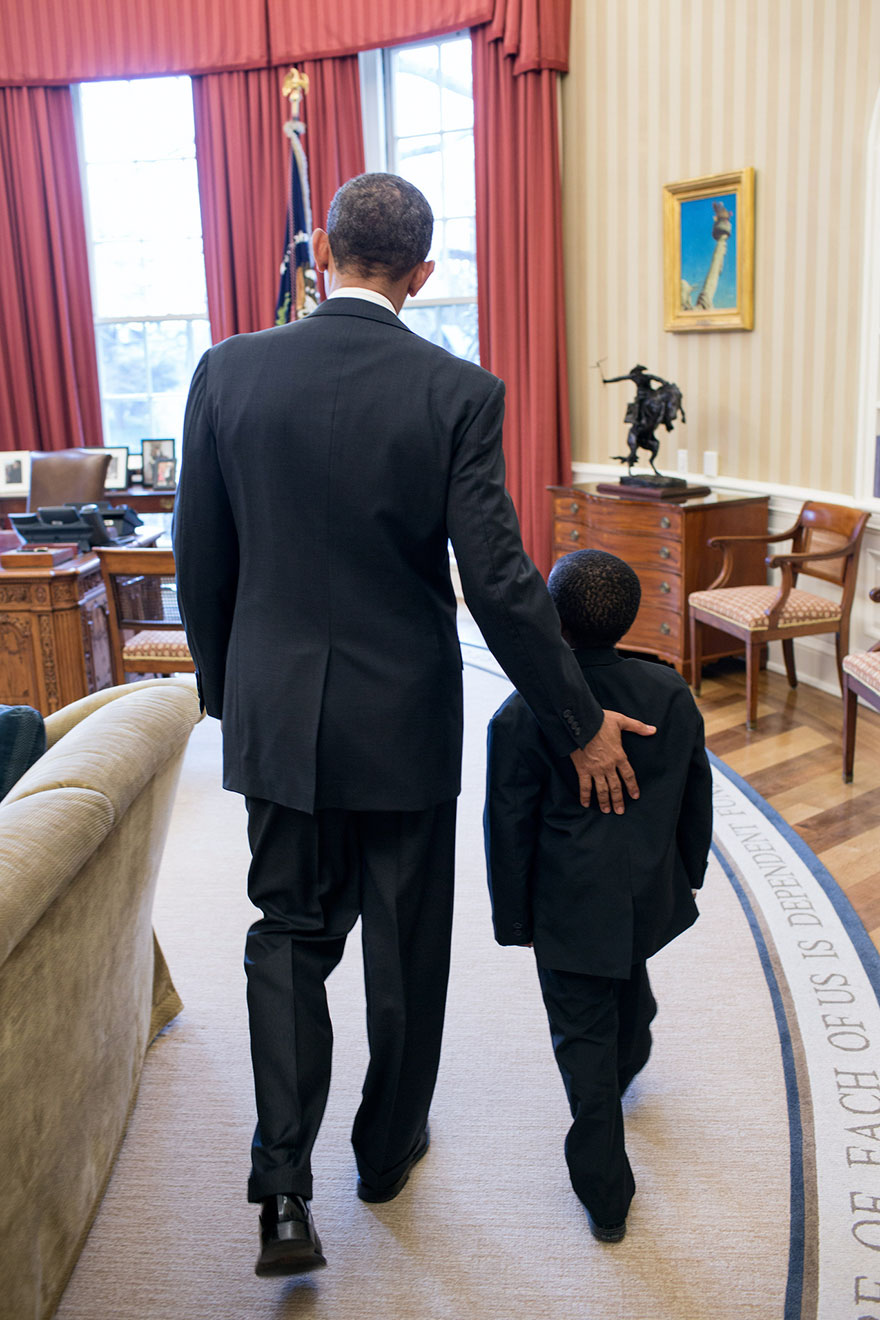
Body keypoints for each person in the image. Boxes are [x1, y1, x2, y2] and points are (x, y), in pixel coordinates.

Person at [173, 172, 655, 1277]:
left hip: (277, 715)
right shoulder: (458, 391)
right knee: (403, 951)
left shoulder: (226, 371)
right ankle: (384, 1157)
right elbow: (499, 580)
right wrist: (578, 717)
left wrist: (232, 698)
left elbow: (201, 561)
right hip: (403, 722)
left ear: (320, 252)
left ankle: (281, 1189)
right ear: (423, 275)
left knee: (287, 934)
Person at [484, 548, 712, 1242]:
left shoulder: (522, 713)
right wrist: (688, 872)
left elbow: (508, 828)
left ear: (553, 620)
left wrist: (515, 919)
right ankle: (632, 1044)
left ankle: (606, 1198)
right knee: (626, 976)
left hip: (569, 908)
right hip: (647, 890)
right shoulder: (670, 691)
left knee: (584, 1050)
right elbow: (696, 791)